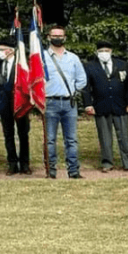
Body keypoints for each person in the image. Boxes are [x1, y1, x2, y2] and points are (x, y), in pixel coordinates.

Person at [83, 40, 128, 171]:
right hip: (101, 106)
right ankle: (107, 163)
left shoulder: (122, 65)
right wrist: (88, 104)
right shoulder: (90, 66)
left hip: (120, 106)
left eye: (106, 51)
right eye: (101, 51)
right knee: (104, 136)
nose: (104, 53)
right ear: (96, 52)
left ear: (111, 51)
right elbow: (86, 87)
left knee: (124, 135)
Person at [43, 26, 87, 179]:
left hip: (69, 103)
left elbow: (82, 79)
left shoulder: (73, 58)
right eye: (54, 35)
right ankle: (51, 170)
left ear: (65, 38)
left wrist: (74, 91)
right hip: (49, 102)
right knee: (49, 139)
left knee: (72, 139)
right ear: (48, 37)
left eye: (60, 35)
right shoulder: (41, 57)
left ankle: (74, 171)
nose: (57, 38)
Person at [0, 37, 31, 175]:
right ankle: (12, 163)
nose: (0, 52)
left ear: (11, 50)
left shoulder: (21, 65)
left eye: (2, 49)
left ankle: (25, 164)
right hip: (3, 105)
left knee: (23, 134)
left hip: (20, 104)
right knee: (8, 135)